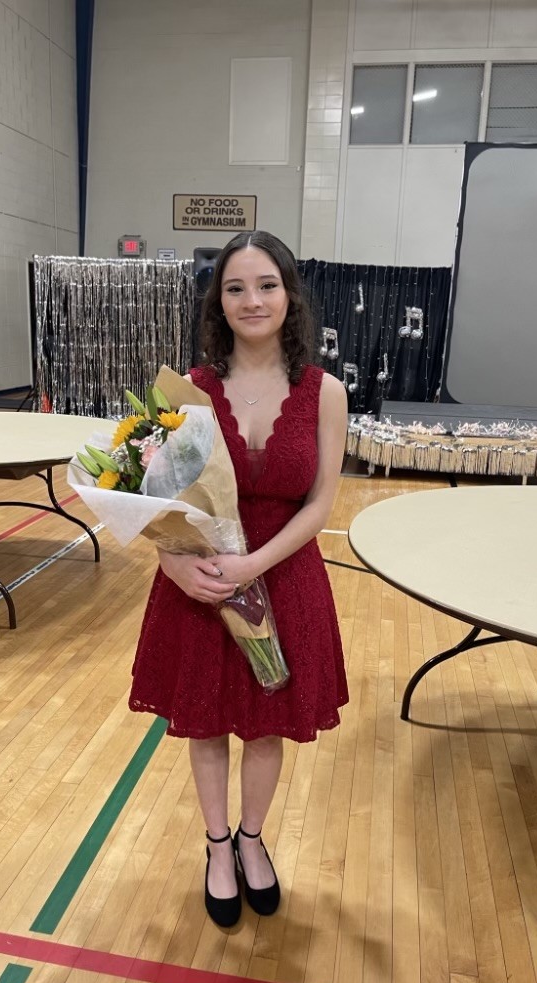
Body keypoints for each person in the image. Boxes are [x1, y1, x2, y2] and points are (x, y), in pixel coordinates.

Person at [129, 230, 349, 927]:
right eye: (235, 288)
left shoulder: (326, 392)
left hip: (282, 574)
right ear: (218, 302)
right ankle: (217, 847)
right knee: (205, 722)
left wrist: (255, 562)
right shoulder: (188, 391)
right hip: (200, 580)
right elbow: (158, 499)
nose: (252, 300)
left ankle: (253, 840)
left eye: (266, 285)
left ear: (290, 295)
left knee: (264, 724)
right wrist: (171, 560)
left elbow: (319, 503)